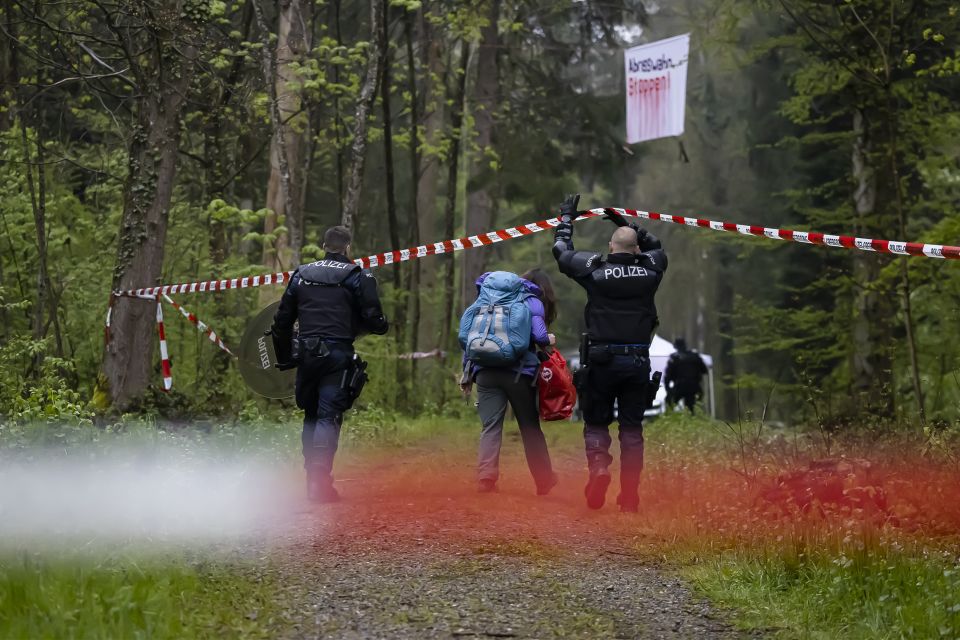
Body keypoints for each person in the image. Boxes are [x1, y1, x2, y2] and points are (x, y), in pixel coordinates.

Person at [552, 194, 668, 513]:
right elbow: (656, 247)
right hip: (637, 362)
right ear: (636, 250)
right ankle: (629, 495)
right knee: (631, 429)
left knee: (596, 423)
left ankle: (599, 468)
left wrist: (565, 220)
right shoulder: (652, 271)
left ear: (611, 246)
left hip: (601, 361)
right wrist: (628, 225)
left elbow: (562, 254)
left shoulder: (596, 271)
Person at [270, 225, 389, 503]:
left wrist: (285, 356)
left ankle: (312, 479)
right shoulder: (357, 276)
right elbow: (374, 318)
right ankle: (319, 483)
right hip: (337, 355)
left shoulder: (301, 274)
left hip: (306, 355)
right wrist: (380, 326)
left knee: (311, 415)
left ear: (324, 245)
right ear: (347, 247)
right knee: (328, 416)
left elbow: (281, 321)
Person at [460, 268, 559, 495]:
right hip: (518, 373)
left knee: (490, 426)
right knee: (529, 427)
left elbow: (471, 338)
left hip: (484, 371)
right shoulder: (532, 301)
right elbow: (541, 337)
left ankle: (486, 478)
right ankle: (544, 480)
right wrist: (549, 339)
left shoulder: (485, 297)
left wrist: (467, 372)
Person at [664, 338, 708, 414]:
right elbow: (704, 370)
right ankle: (693, 420)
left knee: (669, 402)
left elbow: (667, 376)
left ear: (676, 346)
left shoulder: (674, 358)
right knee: (691, 407)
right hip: (694, 386)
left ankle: (670, 419)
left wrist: (668, 389)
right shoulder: (695, 356)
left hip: (680, 386)